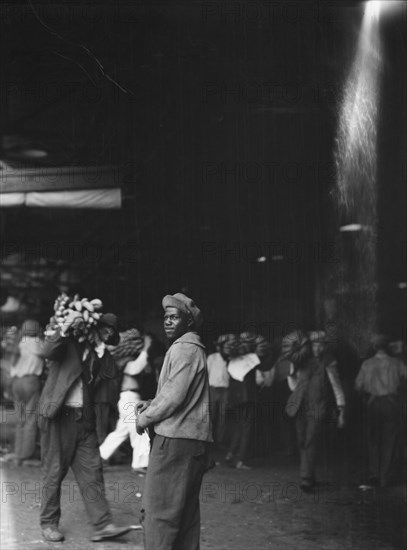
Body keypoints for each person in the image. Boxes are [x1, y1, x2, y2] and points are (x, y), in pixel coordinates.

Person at [38, 310, 133, 543]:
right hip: (59, 417)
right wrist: (65, 327)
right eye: (104, 328)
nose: (107, 333)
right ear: (94, 327)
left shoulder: (99, 353)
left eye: (111, 332)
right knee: (54, 471)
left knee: (93, 472)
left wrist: (102, 349)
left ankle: (103, 525)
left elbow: (111, 373)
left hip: (85, 419)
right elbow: (47, 351)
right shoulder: (69, 342)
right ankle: (49, 523)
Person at [135, 293, 213, 550]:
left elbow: (173, 397)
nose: (168, 322)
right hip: (191, 442)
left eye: (175, 317)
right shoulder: (192, 349)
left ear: (189, 322)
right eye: (166, 317)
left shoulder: (184, 349)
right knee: (185, 515)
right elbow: (175, 393)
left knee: (160, 512)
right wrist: (152, 402)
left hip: (175, 441)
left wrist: (144, 417)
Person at [285, 331, 346, 492]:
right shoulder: (301, 359)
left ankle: (305, 478)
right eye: (314, 345)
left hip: (318, 406)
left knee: (311, 440)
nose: (317, 348)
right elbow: (292, 380)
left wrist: (341, 408)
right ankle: (310, 475)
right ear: (308, 346)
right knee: (301, 440)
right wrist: (294, 382)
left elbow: (336, 386)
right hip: (299, 406)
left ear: (325, 346)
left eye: (321, 345)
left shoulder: (328, 362)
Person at [355, 334, 407, 487]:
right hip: (391, 403)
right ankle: (385, 477)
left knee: (373, 440)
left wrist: (365, 398)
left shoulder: (367, 364)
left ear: (373, 347)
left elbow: (358, 386)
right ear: (387, 346)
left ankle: (374, 474)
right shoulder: (397, 362)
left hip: (373, 403)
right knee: (389, 440)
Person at [99, 334, 154, 472]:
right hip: (129, 399)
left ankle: (99, 456)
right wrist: (146, 348)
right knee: (139, 431)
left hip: (127, 399)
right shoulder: (127, 363)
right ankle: (139, 464)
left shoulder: (124, 363)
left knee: (120, 432)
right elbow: (137, 367)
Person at [10, 319, 44, 466]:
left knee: (20, 419)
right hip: (30, 381)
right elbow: (48, 355)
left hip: (16, 382)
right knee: (30, 419)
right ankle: (26, 456)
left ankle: (18, 454)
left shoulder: (19, 343)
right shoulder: (37, 342)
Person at [207, 335, 230, 446]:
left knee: (222, 416)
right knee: (211, 415)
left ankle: (219, 441)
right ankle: (208, 441)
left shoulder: (230, 358)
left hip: (225, 390)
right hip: (213, 389)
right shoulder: (212, 358)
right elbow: (206, 374)